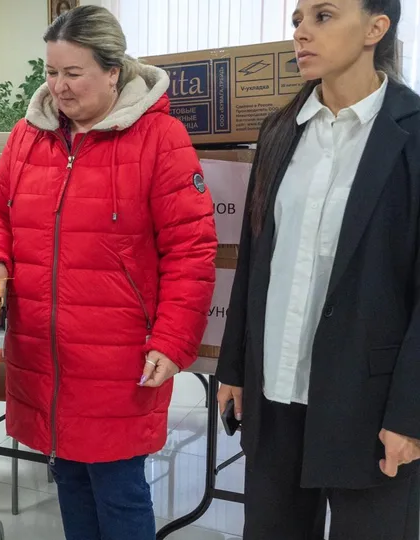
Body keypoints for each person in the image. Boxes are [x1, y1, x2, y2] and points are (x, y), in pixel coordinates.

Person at [0, 6, 217, 539]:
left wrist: (172, 340)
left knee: (117, 485)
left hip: (119, 356)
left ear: (113, 72)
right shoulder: (28, 136)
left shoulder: (160, 139)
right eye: (51, 72)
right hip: (44, 350)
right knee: (68, 476)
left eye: (73, 73)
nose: (58, 87)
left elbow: (191, 251)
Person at [215, 1, 420, 538]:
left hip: (369, 401)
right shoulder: (281, 130)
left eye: (323, 16)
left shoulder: (412, 134)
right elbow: (254, 260)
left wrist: (411, 413)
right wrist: (234, 367)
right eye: (297, 20)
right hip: (276, 392)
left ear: (376, 27)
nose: (302, 32)